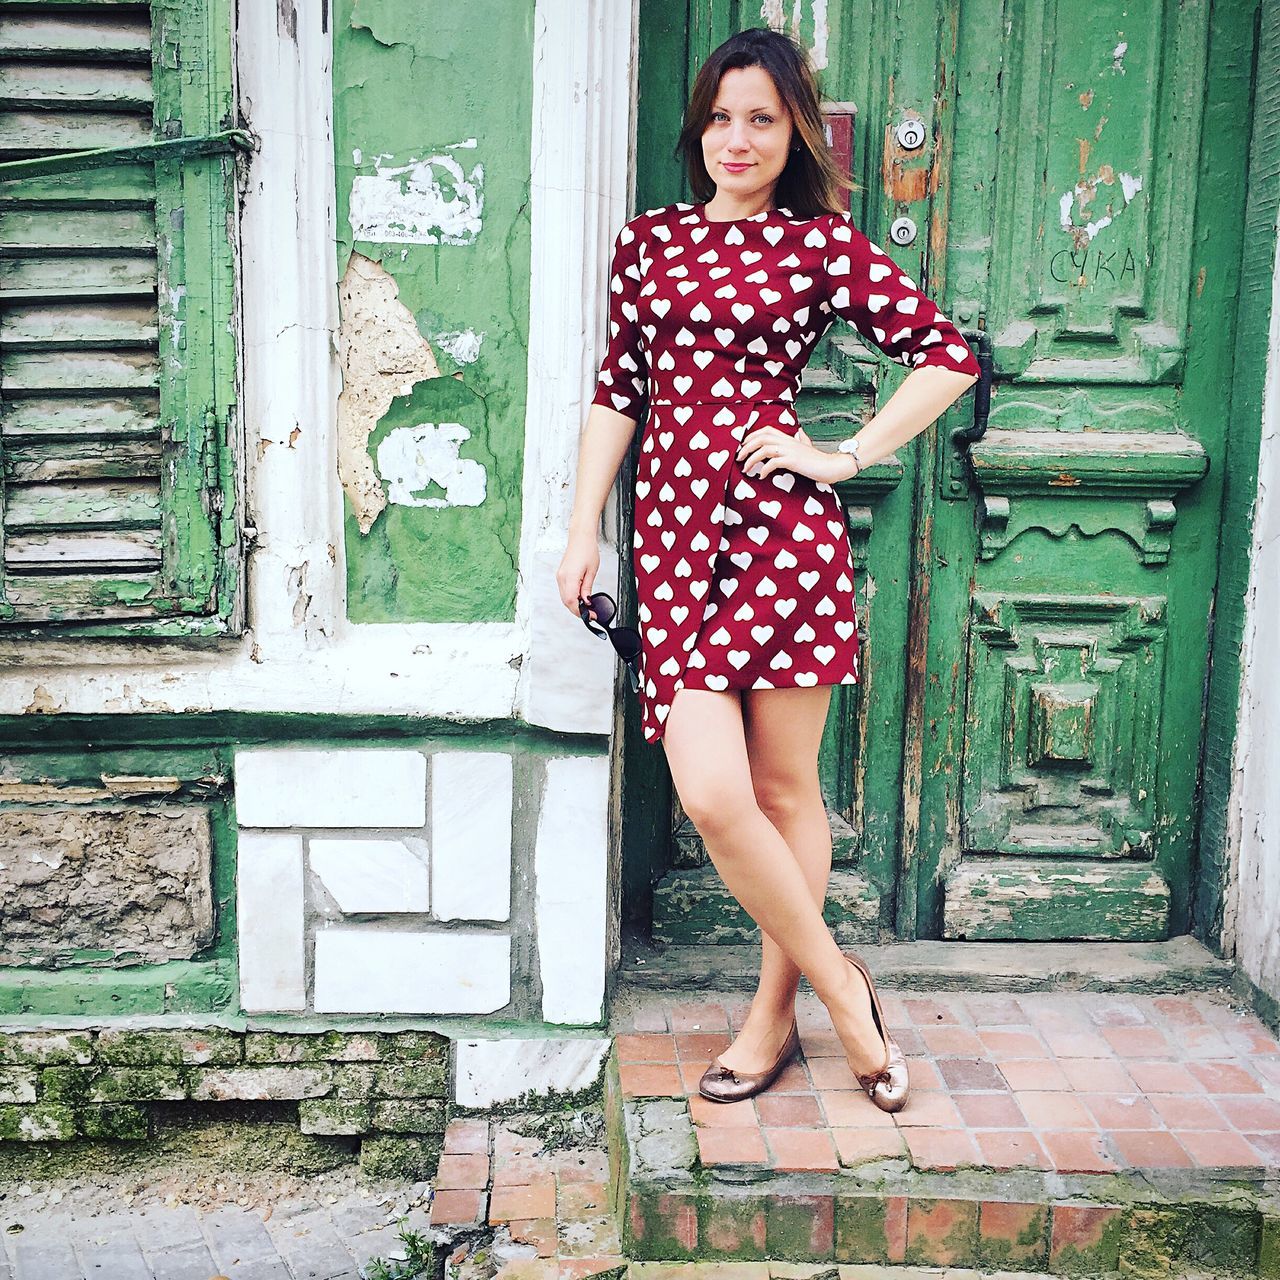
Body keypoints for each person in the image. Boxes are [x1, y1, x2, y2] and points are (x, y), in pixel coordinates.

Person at [556, 27, 980, 1113]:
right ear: (696, 127)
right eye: (718, 117)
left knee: (786, 788)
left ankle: (769, 1016)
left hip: (780, 536)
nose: (734, 139)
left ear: (793, 130)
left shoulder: (817, 247)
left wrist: (839, 454)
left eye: (760, 118)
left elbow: (944, 355)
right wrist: (581, 529)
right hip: (671, 537)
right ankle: (845, 990)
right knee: (710, 790)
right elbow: (619, 386)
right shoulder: (645, 242)